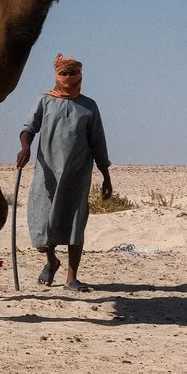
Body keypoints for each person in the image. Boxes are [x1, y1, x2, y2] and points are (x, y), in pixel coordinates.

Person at [16, 54, 113, 290]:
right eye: (64, 74)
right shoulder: (45, 100)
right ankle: (51, 261)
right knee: (43, 224)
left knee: (75, 225)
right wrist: (25, 148)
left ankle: (72, 277)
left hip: (77, 175)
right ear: (57, 75)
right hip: (47, 173)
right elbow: (28, 128)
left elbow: (98, 142)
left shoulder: (89, 106)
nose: (69, 79)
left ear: (80, 76)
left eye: (73, 74)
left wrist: (106, 175)